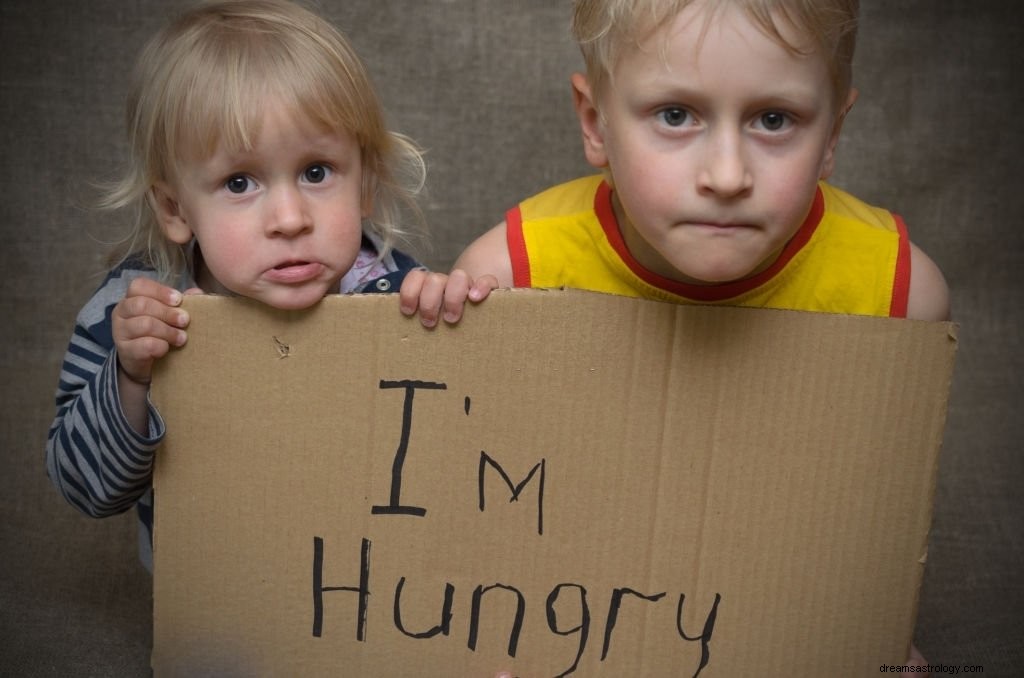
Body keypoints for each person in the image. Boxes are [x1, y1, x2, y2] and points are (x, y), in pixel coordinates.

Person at [440, 0, 948, 670]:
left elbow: (873, 515)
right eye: (676, 115)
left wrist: (870, 623)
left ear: (832, 135)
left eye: (774, 120)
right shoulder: (511, 280)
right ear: (595, 123)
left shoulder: (899, 296)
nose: (728, 176)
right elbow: (486, 505)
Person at [45, 0, 485, 573]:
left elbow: (450, 468)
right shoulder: (131, 312)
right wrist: (131, 377)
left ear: (366, 184)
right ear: (176, 208)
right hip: (216, 605)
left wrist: (449, 333)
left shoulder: (394, 291)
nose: (289, 217)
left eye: (317, 172)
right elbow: (85, 489)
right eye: (239, 181)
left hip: (364, 591)